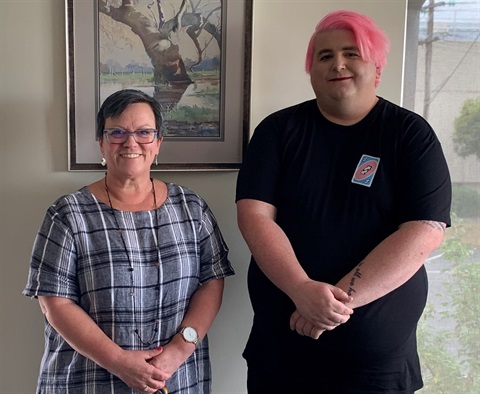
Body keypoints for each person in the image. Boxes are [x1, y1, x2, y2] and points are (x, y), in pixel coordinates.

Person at [236, 10, 451, 393]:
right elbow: (253, 216)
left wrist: (333, 305)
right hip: (283, 357)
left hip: (375, 368)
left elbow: (425, 232)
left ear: (377, 67)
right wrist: (302, 289)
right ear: (312, 71)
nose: (338, 64)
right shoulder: (277, 131)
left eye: (352, 53)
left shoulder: (410, 135)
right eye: (325, 56)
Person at [23, 89, 234, 394]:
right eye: (117, 132)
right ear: (102, 143)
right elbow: (54, 303)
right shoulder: (68, 214)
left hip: (176, 377)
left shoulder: (191, 208)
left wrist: (179, 350)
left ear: (158, 142)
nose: (131, 142)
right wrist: (119, 361)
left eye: (144, 132)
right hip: (88, 380)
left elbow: (211, 281)